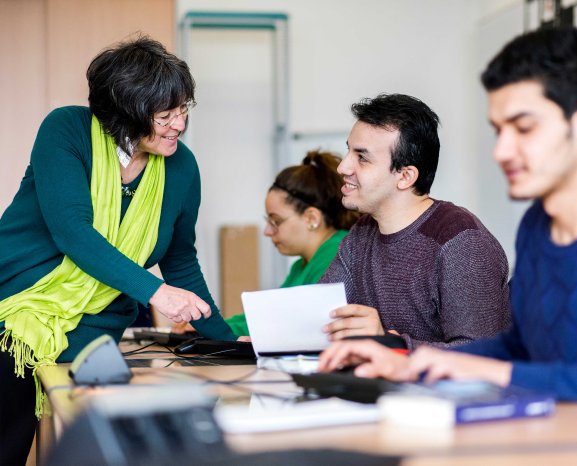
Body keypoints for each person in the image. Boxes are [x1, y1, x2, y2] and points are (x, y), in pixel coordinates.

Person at [318, 27, 577, 421]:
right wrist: (410, 362)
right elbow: (520, 347)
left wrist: (498, 373)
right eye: (499, 130)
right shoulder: (538, 226)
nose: (501, 151)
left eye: (524, 128)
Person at [0, 36, 236, 465]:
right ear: (123, 114)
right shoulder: (66, 129)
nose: (178, 126)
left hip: (93, 333)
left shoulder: (182, 167)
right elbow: (73, 231)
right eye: (164, 116)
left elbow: (180, 259)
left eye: (183, 110)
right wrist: (156, 293)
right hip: (15, 314)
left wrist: (231, 343)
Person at [320, 93, 511, 349]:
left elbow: (480, 356)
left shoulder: (461, 242)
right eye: (348, 151)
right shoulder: (362, 233)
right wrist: (279, 336)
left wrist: (390, 344)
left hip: (440, 390)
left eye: (362, 158)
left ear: (406, 176)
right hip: (382, 386)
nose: (343, 167)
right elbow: (322, 313)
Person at [225, 150, 360, 336]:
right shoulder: (301, 266)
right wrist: (212, 327)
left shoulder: (337, 253)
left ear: (311, 218)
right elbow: (267, 315)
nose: (268, 231)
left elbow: (285, 323)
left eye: (276, 221)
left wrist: (216, 330)